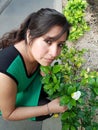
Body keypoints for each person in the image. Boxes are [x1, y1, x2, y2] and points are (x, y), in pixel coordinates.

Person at [0, 8, 70, 122]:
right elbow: (8, 114)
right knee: (46, 108)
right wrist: (48, 108)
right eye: (48, 41)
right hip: (4, 102)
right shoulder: (5, 71)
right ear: (29, 35)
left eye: (60, 45)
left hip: (19, 88)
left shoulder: (34, 50)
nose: (54, 53)